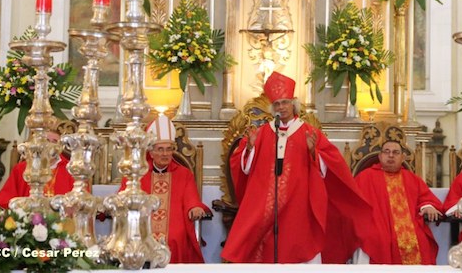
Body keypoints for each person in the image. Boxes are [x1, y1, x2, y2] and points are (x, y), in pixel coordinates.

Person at [221, 71, 371, 264]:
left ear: (293, 103)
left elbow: (332, 165)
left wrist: (313, 152)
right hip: (266, 202)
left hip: (299, 202)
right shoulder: (262, 133)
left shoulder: (310, 132)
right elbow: (244, 168)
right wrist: (249, 148)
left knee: (300, 244)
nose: (281, 107)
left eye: (285, 102)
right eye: (277, 104)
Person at [118, 114, 212, 263]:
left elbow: (191, 197)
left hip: (175, 223)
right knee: (138, 237)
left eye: (169, 149)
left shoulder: (183, 173)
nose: (165, 154)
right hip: (142, 222)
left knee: (176, 236)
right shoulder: (137, 173)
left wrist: (194, 207)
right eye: (160, 149)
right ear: (151, 152)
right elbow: (123, 196)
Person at [354, 140, 444, 264]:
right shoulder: (365, 177)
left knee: (421, 240)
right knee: (377, 238)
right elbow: (352, 202)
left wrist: (428, 206)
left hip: (411, 229)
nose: (391, 155)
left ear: (402, 157)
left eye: (396, 152)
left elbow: (426, 198)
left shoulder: (412, 179)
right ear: (380, 156)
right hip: (377, 225)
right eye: (387, 152)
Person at [0, 130, 74, 208]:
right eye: (46, 140)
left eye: (54, 142)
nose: (49, 146)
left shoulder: (71, 169)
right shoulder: (22, 168)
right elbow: (5, 199)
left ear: (60, 147)